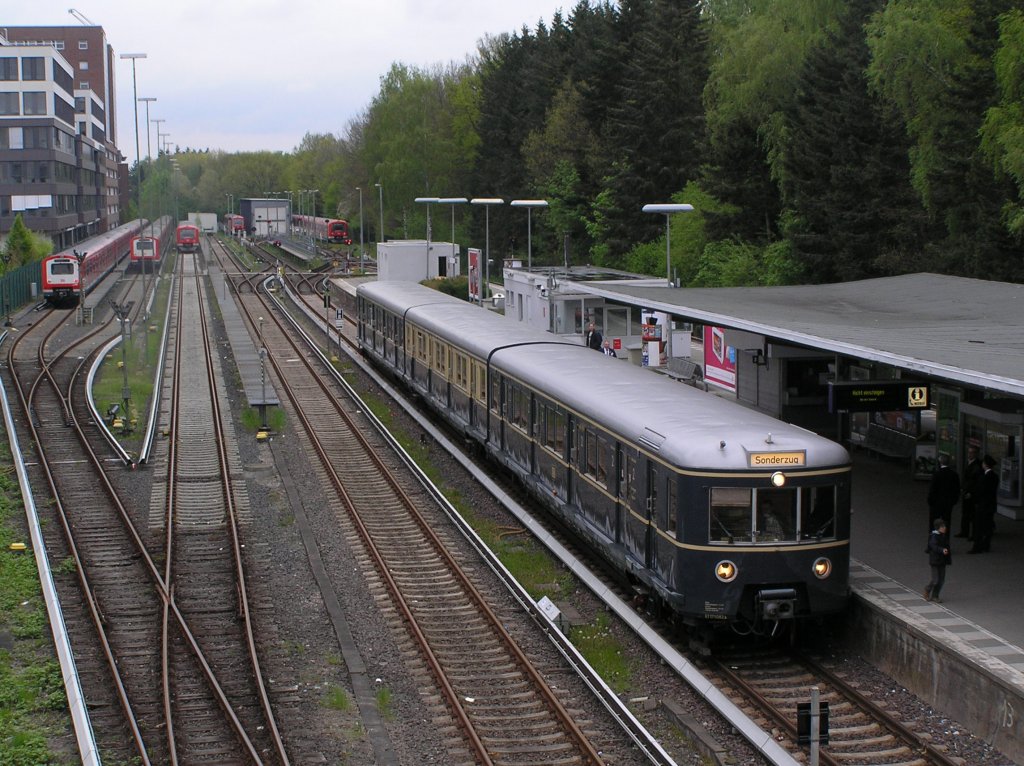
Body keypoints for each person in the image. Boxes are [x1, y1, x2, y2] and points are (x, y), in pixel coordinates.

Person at [969, 455, 999, 553]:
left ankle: (977, 547)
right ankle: (986, 545)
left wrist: (974, 498)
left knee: (979, 526)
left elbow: (980, 491)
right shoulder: (995, 477)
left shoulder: (984, 477)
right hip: (991, 505)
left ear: (985, 465)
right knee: (988, 526)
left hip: (982, 505)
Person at [927, 453, 960, 533]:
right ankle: (945, 540)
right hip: (948, 503)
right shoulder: (954, 475)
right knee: (946, 521)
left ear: (940, 462)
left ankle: (934, 540)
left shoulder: (937, 474)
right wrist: (953, 501)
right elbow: (956, 490)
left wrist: (930, 501)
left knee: (934, 522)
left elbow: (932, 489)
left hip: (936, 503)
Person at [957, 445, 982, 539]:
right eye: (969, 452)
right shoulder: (969, 463)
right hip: (966, 491)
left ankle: (973, 534)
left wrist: (970, 492)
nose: (969, 454)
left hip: (971, 494)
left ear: (976, 454)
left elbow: (974, 481)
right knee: (965, 513)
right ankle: (964, 531)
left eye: (972, 452)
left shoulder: (977, 465)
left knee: (972, 515)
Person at [924, 518, 951, 602]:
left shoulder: (943, 536)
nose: (944, 528)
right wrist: (942, 550)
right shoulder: (934, 536)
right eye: (942, 526)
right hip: (935, 560)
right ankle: (927, 589)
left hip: (942, 560)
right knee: (935, 579)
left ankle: (935, 595)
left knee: (941, 580)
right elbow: (933, 546)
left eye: (944, 526)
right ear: (938, 527)